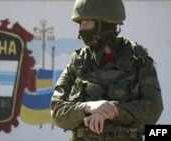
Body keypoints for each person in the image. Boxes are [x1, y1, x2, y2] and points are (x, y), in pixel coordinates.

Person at [50, 0, 163, 141]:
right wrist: (88, 107)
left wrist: (110, 112)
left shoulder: (138, 59)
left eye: (86, 23)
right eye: (80, 24)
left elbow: (153, 108)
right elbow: (57, 111)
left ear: (102, 25)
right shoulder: (78, 60)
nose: (81, 29)